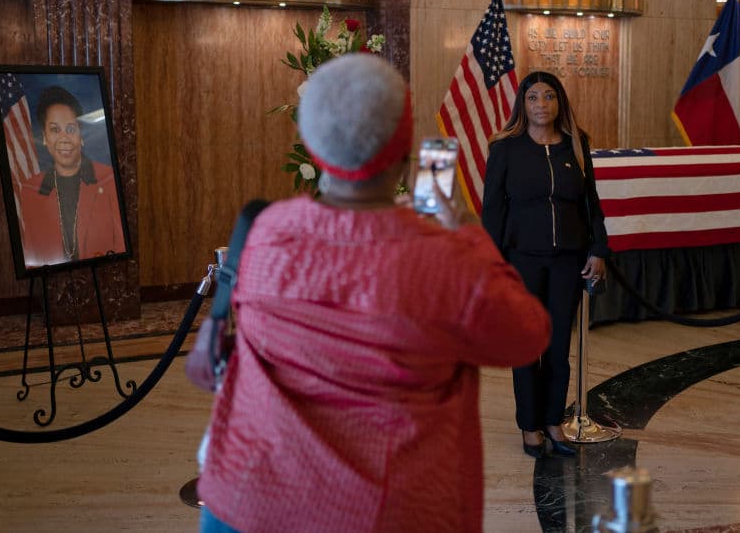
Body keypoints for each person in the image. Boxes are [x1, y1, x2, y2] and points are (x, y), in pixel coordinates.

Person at [196, 54, 551, 533]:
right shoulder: (443, 258)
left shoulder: (265, 232)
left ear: (315, 147)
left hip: (246, 502)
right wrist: (467, 230)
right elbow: (526, 335)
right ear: (405, 154)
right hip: (383, 512)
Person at [480, 71, 610, 459]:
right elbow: (492, 212)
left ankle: (553, 420)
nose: (542, 105)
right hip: (521, 261)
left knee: (557, 347)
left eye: (549, 97)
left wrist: (598, 249)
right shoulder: (506, 148)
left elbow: (592, 203)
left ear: (560, 102)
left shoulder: (576, 144)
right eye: (533, 97)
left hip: (568, 262)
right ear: (523, 103)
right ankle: (530, 425)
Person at [17, 86, 126, 269]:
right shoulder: (31, 190)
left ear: (80, 135)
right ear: (44, 137)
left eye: (70, 129)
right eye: (55, 130)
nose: (64, 138)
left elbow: (120, 250)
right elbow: (33, 260)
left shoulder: (108, 180)